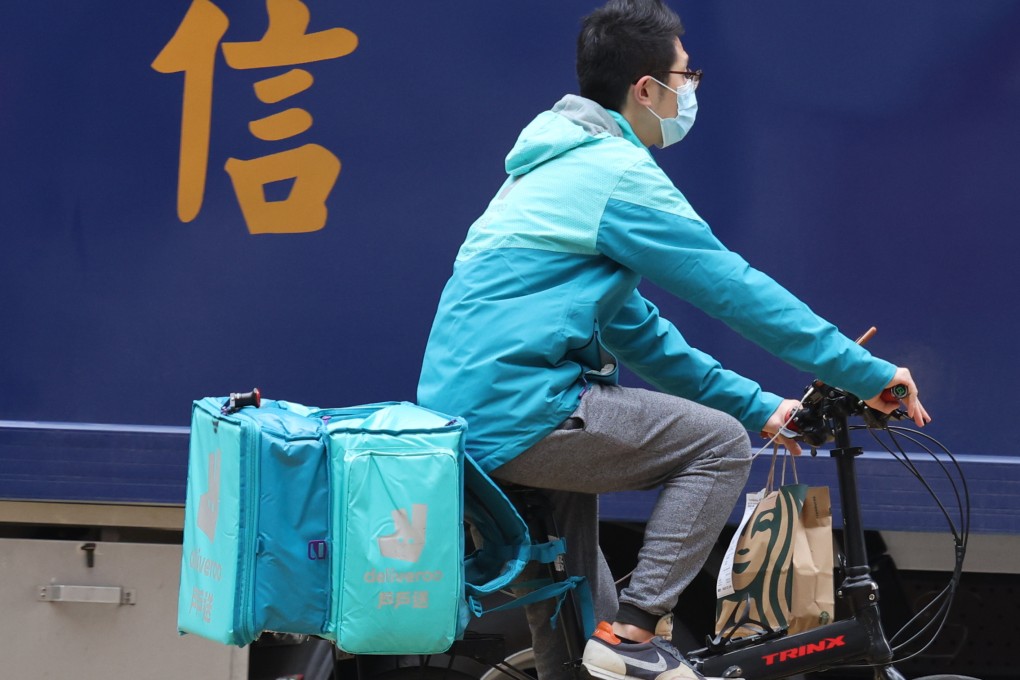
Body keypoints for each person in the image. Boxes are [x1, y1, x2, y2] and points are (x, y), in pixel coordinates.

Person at [417, 1, 930, 679]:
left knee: (572, 644)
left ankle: (608, 643)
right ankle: (635, 632)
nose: (691, 92)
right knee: (716, 446)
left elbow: (641, 334)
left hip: (474, 425)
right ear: (646, 87)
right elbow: (736, 290)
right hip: (524, 410)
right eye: (687, 77)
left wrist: (762, 407)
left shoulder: (547, 173)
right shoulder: (613, 174)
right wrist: (869, 374)